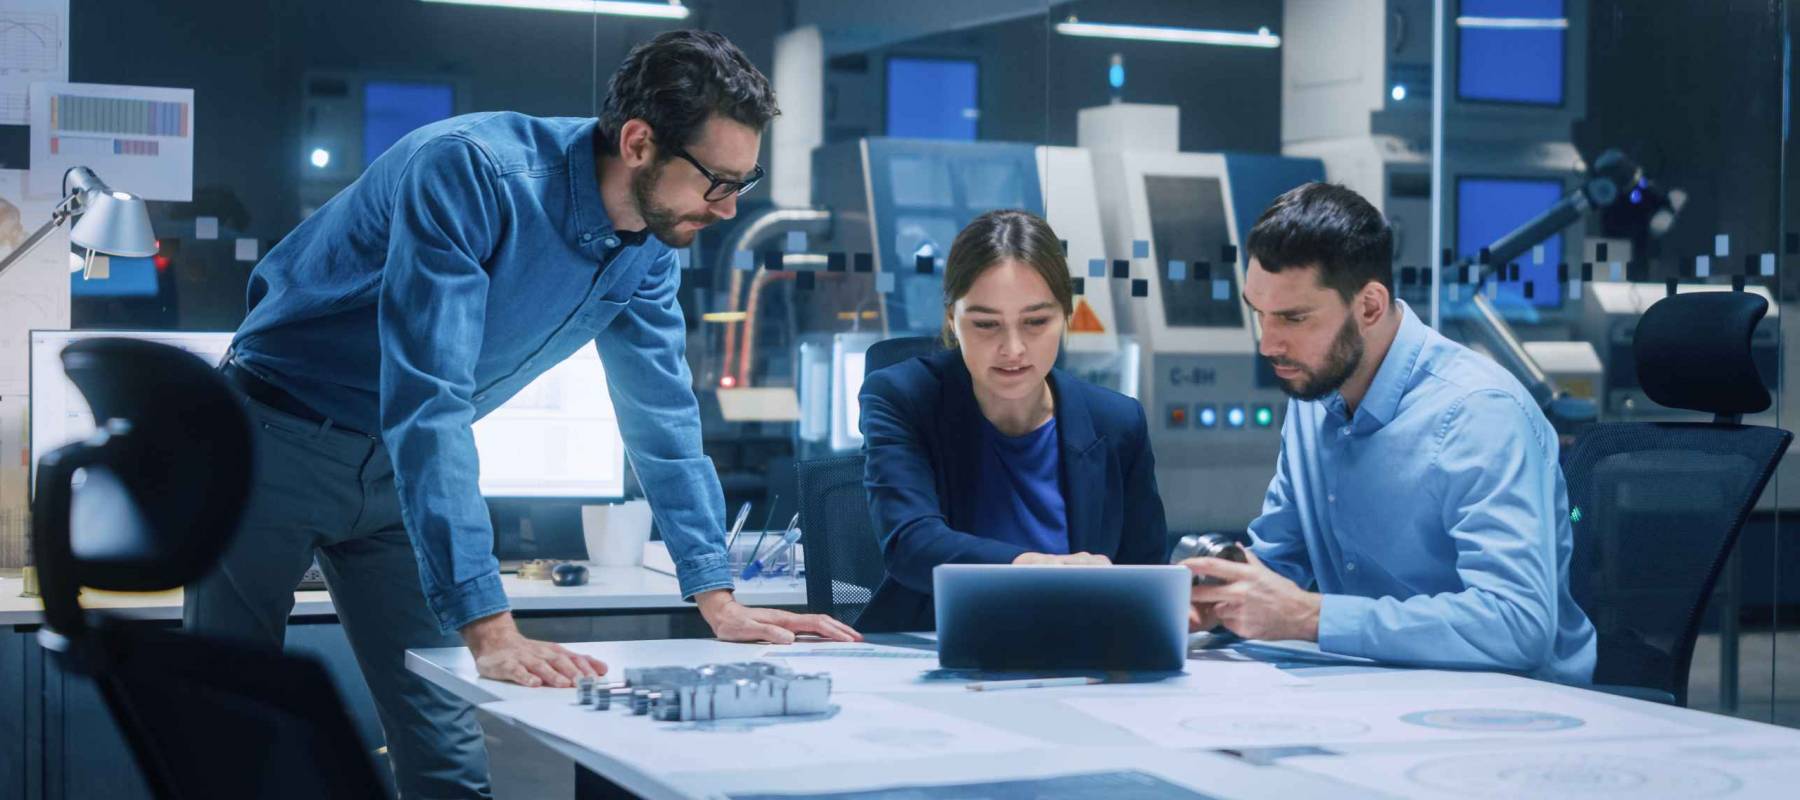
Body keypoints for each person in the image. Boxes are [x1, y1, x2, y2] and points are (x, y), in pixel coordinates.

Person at [186, 30, 859, 798]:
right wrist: (490, 626)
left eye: (744, 181)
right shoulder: (471, 173)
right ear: (639, 141)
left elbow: (663, 418)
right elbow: (429, 397)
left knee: (445, 744)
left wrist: (716, 593)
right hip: (270, 440)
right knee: (229, 722)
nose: (729, 207)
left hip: (398, 476)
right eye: (716, 182)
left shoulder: (648, 248)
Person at [1182, 182, 1596, 684]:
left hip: (1511, 709)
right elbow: (1281, 565)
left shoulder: (1479, 414)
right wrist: (1221, 594)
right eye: (1259, 314)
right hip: (1370, 689)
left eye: (1294, 318)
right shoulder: (1315, 398)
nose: (1268, 344)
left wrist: (1311, 617)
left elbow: (1516, 624)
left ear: (1370, 306)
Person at [857, 209, 1169, 633]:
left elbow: (1145, 578)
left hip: (1084, 662)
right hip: (944, 653)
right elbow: (911, 543)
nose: (1014, 349)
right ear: (952, 319)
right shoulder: (902, 398)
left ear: (1066, 315)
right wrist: (1037, 568)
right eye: (986, 324)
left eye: (1036, 321)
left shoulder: (1117, 422)